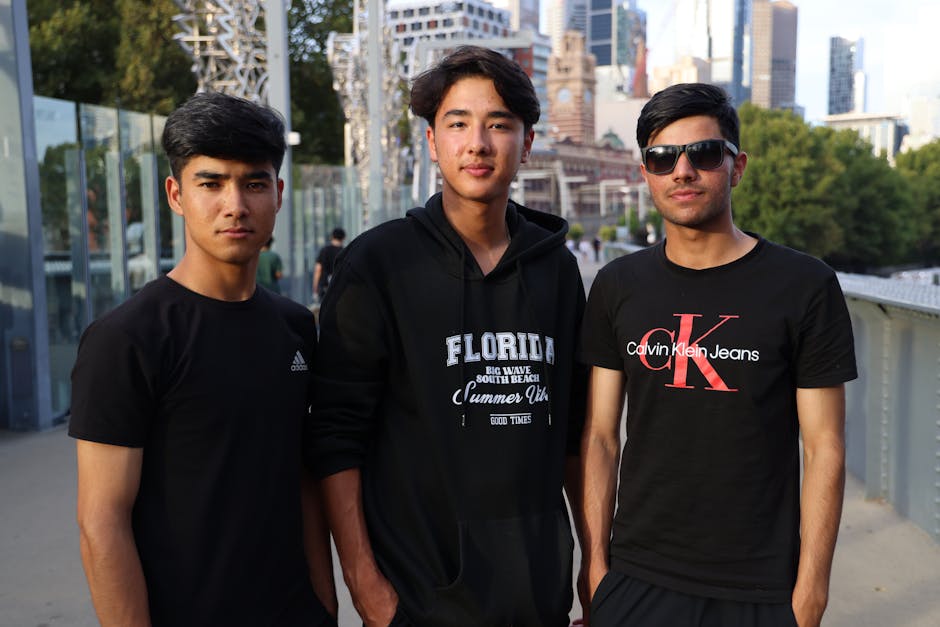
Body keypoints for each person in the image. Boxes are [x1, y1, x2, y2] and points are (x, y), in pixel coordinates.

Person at [306, 46, 588, 626]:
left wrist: (592, 567)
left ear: (527, 144)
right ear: (433, 142)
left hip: (538, 599)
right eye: (458, 124)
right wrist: (365, 585)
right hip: (418, 601)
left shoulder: (557, 271)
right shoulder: (378, 265)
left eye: (498, 125)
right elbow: (335, 435)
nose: (477, 143)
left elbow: (575, 438)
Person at [578, 83, 857, 627]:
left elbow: (825, 446)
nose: (682, 171)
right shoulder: (617, 285)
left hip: (762, 587)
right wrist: (595, 570)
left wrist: (811, 591)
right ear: (646, 174)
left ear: (737, 167)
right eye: (662, 158)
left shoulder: (805, 285)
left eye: (704, 153)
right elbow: (601, 437)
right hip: (637, 578)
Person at [69, 92, 337, 627]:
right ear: (176, 194)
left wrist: (325, 606)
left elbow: (303, 479)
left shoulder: (295, 326)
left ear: (279, 193)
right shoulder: (127, 339)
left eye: (254, 183)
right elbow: (102, 523)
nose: (235, 205)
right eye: (211, 184)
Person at [313, 227, 345, 300]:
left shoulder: (324, 251)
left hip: (325, 286)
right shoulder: (345, 252)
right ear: (343, 238)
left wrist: (315, 287)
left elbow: (318, 269)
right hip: (339, 288)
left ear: (332, 237)